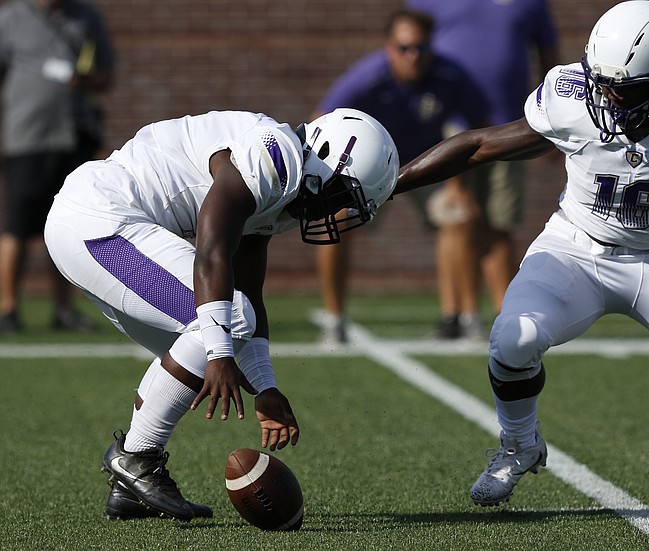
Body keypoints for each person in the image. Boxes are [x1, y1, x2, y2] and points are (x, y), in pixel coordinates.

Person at [395, 1, 649, 512]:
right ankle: (520, 446)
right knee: (512, 339)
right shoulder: (574, 96)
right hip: (574, 250)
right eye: (601, 82)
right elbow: (478, 145)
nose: (607, 96)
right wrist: (393, 182)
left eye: (624, 88)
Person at [44, 108, 399, 520]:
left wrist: (265, 386)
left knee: (225, 324)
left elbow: (247, 286)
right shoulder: (277, 155)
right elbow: (211, 252)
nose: (334, 214)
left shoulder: (284, 182)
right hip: (99, 220)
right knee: (223, 323)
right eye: (341, 196)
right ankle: (136, 459)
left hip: (94, 225)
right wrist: (219, 353)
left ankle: (131, 488)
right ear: (326, 158)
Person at [314, 9, 489, 344]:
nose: (412, 56)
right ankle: (334, 321)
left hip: (428, 163)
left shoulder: (450, 75)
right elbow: (322, 120)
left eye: (420, 48)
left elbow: (478, 124)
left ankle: (462, 318)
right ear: (388, 47)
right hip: (371, 166)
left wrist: (458, 183)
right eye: (403, 48)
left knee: (459, 215)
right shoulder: (367, 77)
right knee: (332, 220)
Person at [406, 0, 559, 338]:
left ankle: (507, 315)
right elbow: (413, 42)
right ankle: (456, 315)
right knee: (456, 217)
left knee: (499, 223)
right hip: (451, 124)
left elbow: (548, 55)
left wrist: (556, 118)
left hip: (511, 126)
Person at [0, 0, 115, 332]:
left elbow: (107, 76)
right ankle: (8, 309)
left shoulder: (86, 16)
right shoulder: (10, 19)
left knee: (67, 226)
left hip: (75, 135)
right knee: (17, 225)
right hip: (27, 137)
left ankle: (64, 310)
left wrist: (86, 81)